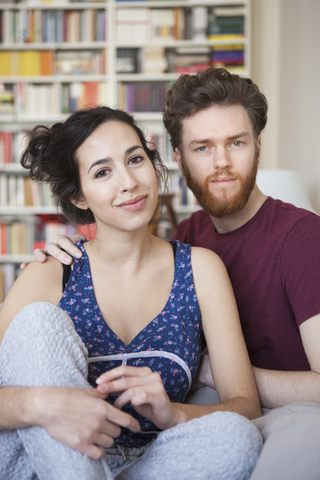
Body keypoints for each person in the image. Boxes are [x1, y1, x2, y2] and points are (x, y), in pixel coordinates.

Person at [41, 68, 320, 480]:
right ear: (176, 157)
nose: (222, 163)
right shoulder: (189, 239)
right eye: (202, 147)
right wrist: (63, 250)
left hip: (283, 414)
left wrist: (216, 372)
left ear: (258, 145)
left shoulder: (303, 236)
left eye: (236, 143)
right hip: (194, 413)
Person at [0, 106, 262, 480]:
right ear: (79, 197)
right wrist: (37, 404)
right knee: (37, 322)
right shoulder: (51, 271)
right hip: (47, 463)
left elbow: (246, 405)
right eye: (103, 172)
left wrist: (174, 413)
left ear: (153, 167)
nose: (129, 182)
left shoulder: (201, 269)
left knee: (236, 438)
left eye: (135, 159)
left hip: (146, 463)